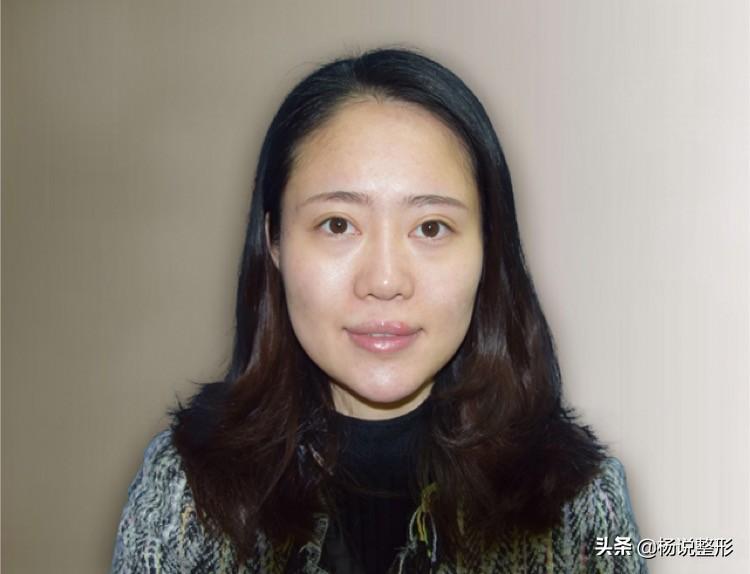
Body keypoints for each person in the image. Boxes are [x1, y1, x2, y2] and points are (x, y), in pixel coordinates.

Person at [111, 47, 647, 573]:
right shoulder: (185, 495)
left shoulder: (580, 505)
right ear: (273, 241)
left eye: (431, 228)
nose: (385, 281)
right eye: (338, 225)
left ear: (489, 245)